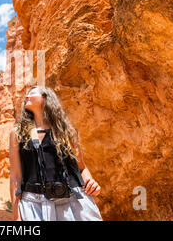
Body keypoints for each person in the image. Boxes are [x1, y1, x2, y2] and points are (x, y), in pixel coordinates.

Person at [9, 85, 103, 221]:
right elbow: (15, 176)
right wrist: (16, 215)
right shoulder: (17, 133)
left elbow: (81, 168)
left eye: (32, 93)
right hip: (33, 206)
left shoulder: (66, 131)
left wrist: (91, 182)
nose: (26, 96)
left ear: (46, 98)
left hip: (74, 201)